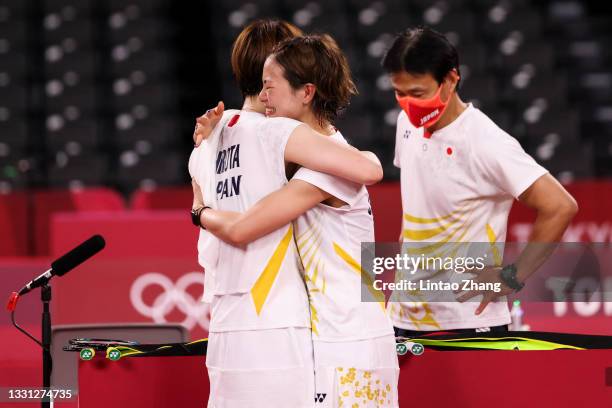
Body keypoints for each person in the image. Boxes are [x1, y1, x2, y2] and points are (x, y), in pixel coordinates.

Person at [194, 34, 398, 408]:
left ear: (306, 92)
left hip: (351, 340)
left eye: (269, 87)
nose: (263, 98)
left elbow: (241, 229)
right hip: (337, 333)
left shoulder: (326, 172)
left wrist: (200, 211)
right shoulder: (318, 158)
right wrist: (211, 144)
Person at [381, 26, 578, 336]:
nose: (407, 104)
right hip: (404, 316)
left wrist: (511, 276)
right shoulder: (407, 123)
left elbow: (560, 206)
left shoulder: (486, 142)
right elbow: (417, 204)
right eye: (399, 93)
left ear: (450, 79)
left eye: (418, 94)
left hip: (468, 321)